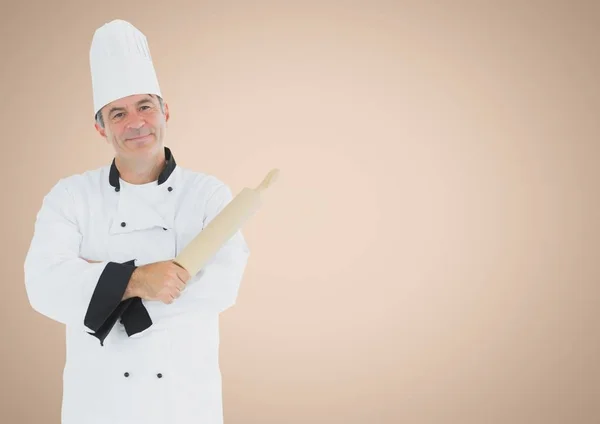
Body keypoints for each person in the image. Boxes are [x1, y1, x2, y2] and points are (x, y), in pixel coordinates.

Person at [23, 19, 250, 424]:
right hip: (97, 405)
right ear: (100, 127)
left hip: (185, 403)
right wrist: (139, 280)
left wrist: (99, 289)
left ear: (165, 110)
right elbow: (43, 285)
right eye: (118, 113)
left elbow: (221, 287)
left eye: (145, 106)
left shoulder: (208, 194)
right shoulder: (71, 196)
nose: (136, 123)